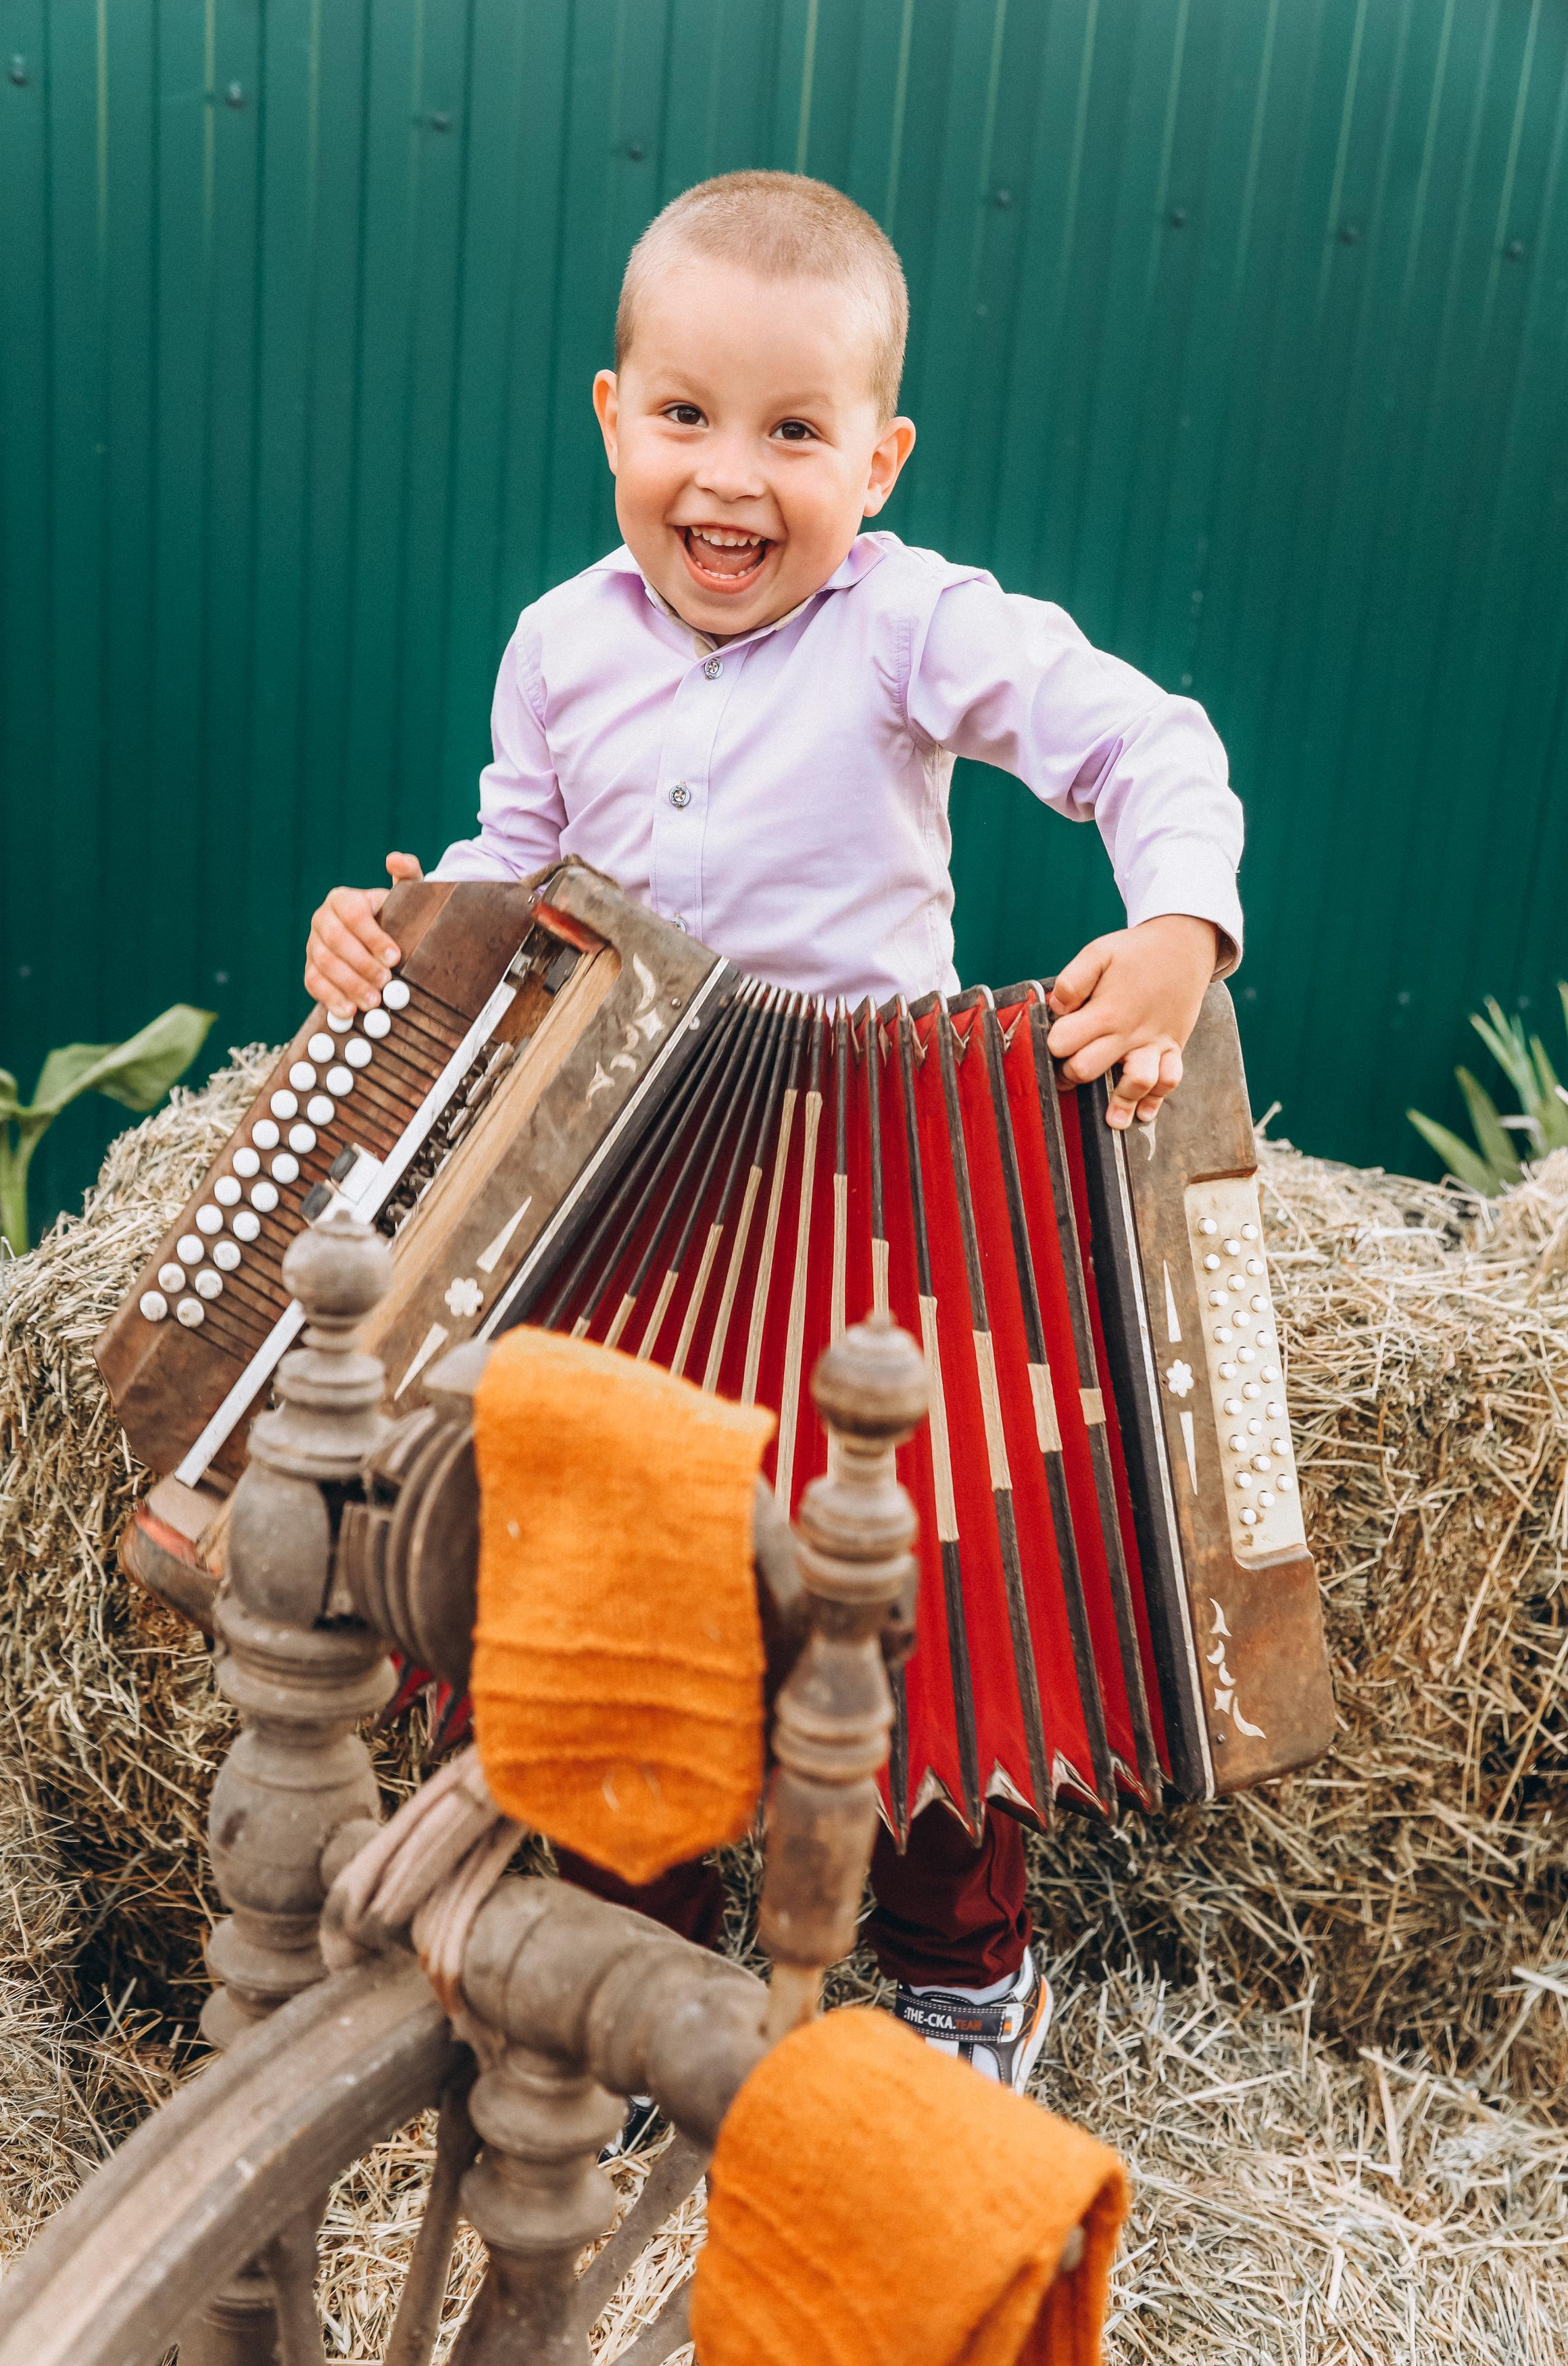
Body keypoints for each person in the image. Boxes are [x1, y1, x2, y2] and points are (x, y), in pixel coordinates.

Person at [305, 172, 1242, 2106]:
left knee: (899, 1573)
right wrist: (411, 932)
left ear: (880, 459)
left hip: (875, 1176)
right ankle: (637, 1948)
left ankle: (956, 1959)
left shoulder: (909, 628)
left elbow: (1145, 741)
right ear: (612, 415)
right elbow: (511, 868)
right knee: (626, 1546)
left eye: (796, 433)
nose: (731, 479)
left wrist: (1177, 930)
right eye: (685, 417)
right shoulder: (561, 643)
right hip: (627, 1173)